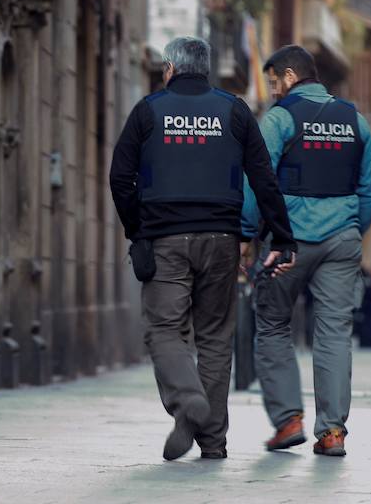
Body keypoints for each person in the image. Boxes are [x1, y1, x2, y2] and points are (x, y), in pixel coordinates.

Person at [109, 37, 296, 461]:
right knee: (215, 337)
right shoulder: (234, 111)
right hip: (221, 239)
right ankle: (212, 440)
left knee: (163, 329)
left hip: (165, 237)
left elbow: (120, 177)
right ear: (207, 70)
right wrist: (281, 236)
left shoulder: (148, 110)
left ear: (171, 69)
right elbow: (263, 178)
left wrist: (137, 229)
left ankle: (188, 401)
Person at [242, 45, 371, 457]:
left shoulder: (280, 119)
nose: (271, 91)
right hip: (342, 240)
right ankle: (332, 432)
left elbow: (257, 180)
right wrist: (351, 227)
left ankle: (288, 421)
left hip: (288, 244)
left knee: (271, 324)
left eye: (273, 82)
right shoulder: (356, 121)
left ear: (289, 76)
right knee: (335, 332)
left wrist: (248, 233)